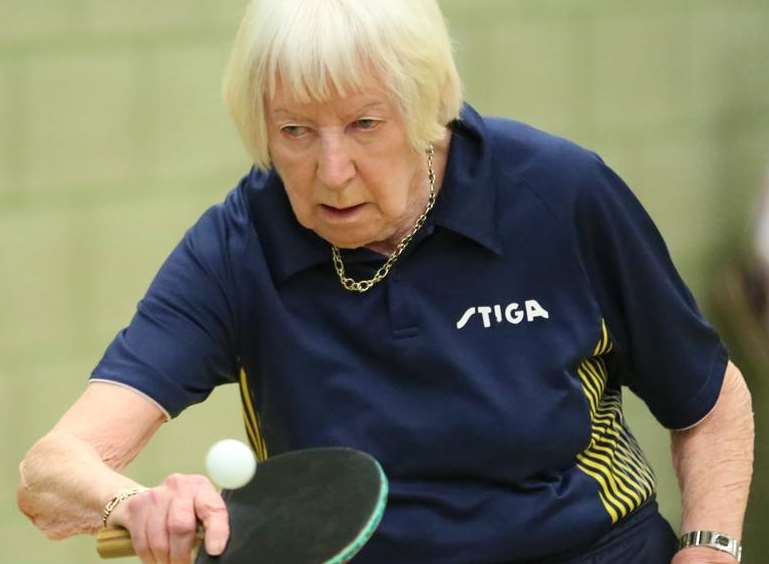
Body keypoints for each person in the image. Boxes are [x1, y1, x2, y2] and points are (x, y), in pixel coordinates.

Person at [17, 1, 754, 563]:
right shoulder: (239, 245)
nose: (330, 173)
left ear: (427, 107)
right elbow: (50, 472)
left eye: (364, 124)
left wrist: (711, 544)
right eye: (295, 132)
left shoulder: (559, 195)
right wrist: (134, 503)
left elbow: (708, 398)